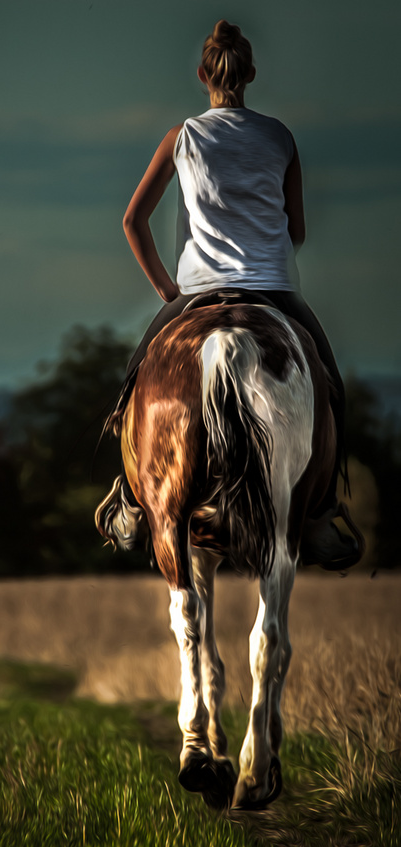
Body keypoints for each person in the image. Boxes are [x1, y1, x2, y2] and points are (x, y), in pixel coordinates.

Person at [96, 19, 361, 571]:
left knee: (137, 379)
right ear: (252, 75)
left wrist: (170, 291)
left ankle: (129, 497)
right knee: (329, 385)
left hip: (197, 291)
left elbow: (132, 221)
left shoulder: (182, 137)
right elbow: (298, 230)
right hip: (273, 288)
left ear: (201, 74)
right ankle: (320, 512)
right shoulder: (279, 137)